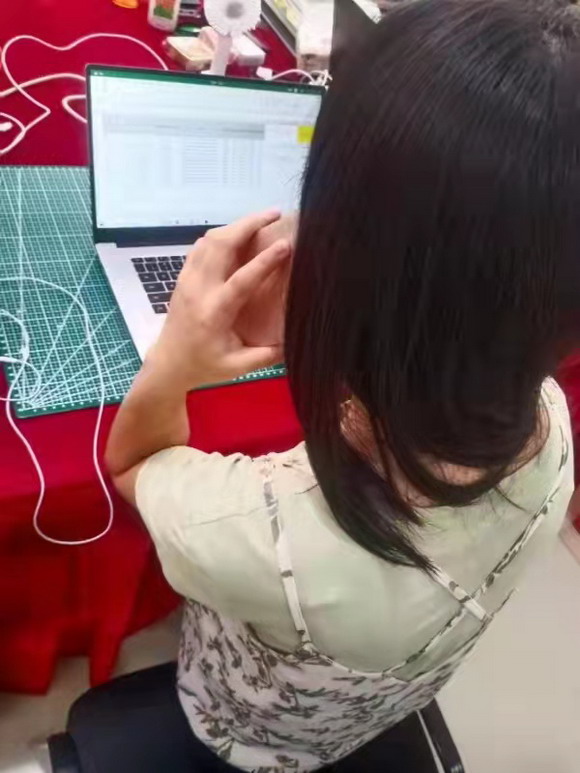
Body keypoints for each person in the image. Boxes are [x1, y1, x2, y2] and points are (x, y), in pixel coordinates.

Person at [105, 0, 579, 770]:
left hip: (240, 733)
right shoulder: (552, 433)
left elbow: (133, 465)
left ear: (351, 278)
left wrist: (177, 354)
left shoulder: (263, 535)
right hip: (375, 709)